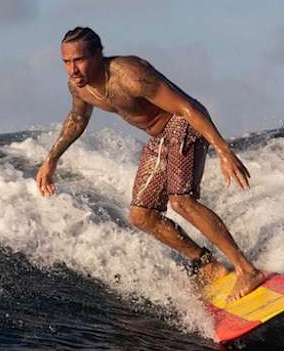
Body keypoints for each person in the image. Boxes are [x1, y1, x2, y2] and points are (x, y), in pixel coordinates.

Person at [36, 26, 266, 301]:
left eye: (80, 60)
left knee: (181, 201)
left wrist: (224, 152)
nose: (73, 69)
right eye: (67, 62)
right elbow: (77, 119)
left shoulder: (131, 75)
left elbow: (189, 108)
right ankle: (207, 264)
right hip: (160, 137)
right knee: (141, 215)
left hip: (182, 124)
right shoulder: (79, 87)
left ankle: (246, 269)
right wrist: (51, 161)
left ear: (98, 55)